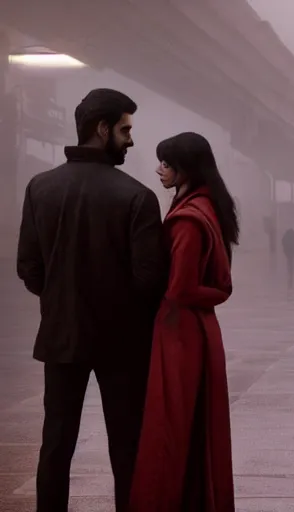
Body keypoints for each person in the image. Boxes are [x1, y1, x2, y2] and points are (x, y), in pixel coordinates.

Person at [16, 88, 166, 511]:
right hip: (122, 344)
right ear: (103, 129)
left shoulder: (39, 188)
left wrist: (61, 299)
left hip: (62, 336)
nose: (131, 140)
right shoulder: (137, 197)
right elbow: (149, 280)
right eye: (125, 129)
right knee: (127, 446)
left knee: (56, 444)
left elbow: (29, 266)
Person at [130, 132, 238, 511]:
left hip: (179, 333)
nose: (159, 169)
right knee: (196, 424)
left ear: (185, 168)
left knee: (171, 425)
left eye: (166, 162)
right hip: (200, 330)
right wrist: (218, 293)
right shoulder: (206, 207)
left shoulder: (187, 221)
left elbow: (180, 290)